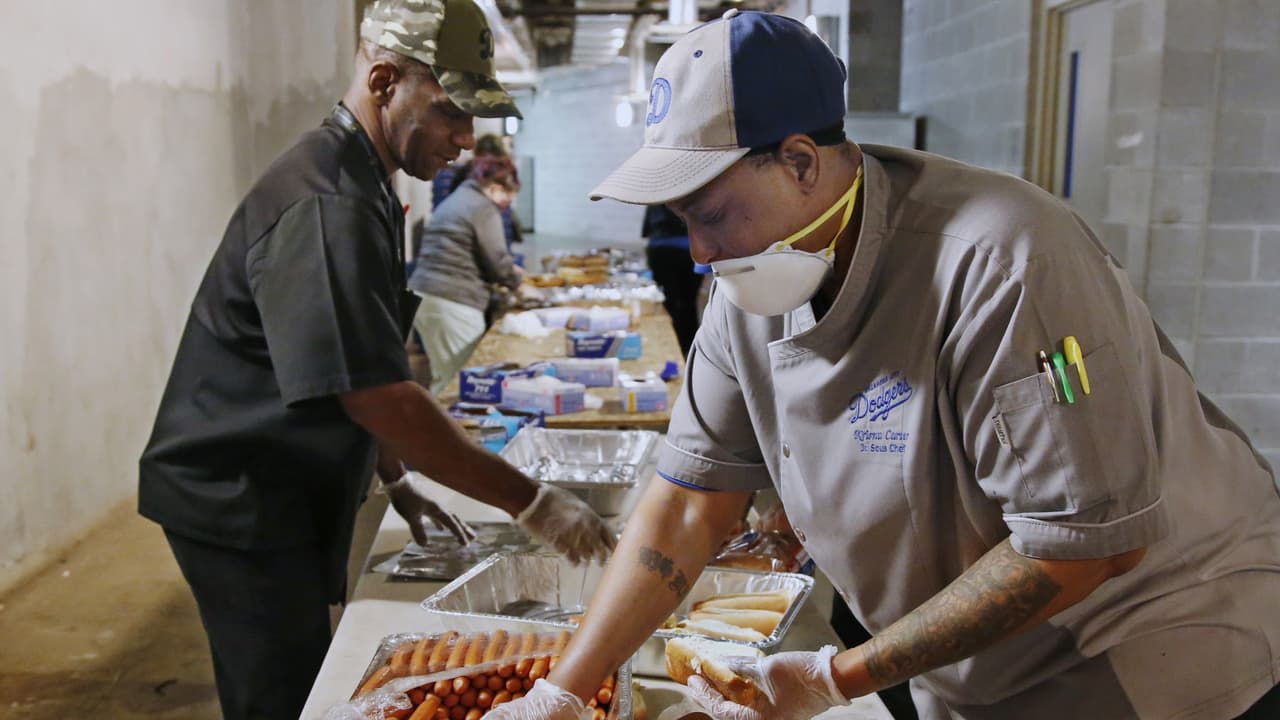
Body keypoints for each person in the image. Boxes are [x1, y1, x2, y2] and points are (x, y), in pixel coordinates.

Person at [487, 9, 1280, 720]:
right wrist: (562, 688)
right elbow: (689, 505)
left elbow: (1084, 543)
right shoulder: (746, 293)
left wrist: (836, 678)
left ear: (800, 162)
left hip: (1147, 649)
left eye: (712, 213)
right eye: (680, 221)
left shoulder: (1003, 264)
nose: (699, 251)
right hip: (971, 663)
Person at [137, 2, 613, 719]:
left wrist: (393, 475)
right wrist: (532, 502)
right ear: (385, 80)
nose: (464, 137)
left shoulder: (363, 183)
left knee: (300, 668)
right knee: (279, 691)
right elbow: (378, 394)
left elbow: (344, 356)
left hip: (280, 479)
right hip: (239, 492)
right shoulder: (329, 200)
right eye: (451, 111)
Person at [410, 154, 523, 393]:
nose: (506, 205)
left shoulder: (460, 196)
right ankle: (445, 429)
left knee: (445, 375)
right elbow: (497, 262)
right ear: (494, 187)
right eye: (506, 198)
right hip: (452, 301)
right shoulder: (481, 207)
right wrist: (517, 278)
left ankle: (439, 427)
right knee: (460, 381)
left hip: (428, 295)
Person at [642, 203, 703, 356]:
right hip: (689, 247)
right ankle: (691, 349)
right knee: (689, 302)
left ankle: (671, 347)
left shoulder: (654, 186)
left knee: (669, 302)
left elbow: (648, 227)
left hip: (662, 247)